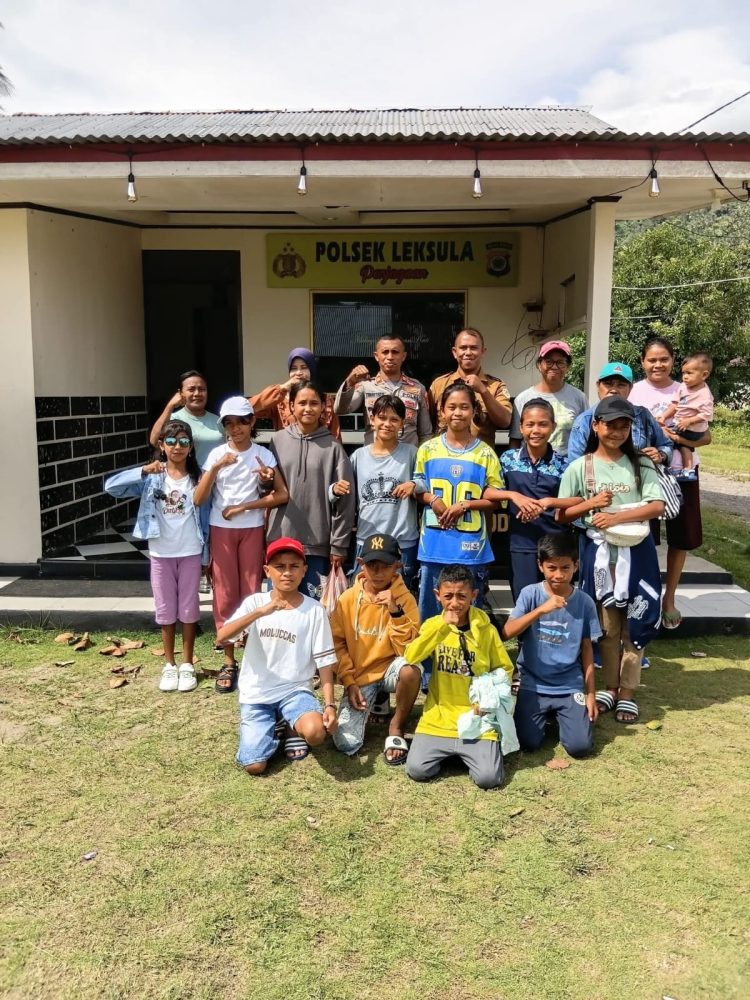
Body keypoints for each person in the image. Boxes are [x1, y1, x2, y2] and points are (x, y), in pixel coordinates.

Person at [558, 397, 665, 724]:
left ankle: (628, 693)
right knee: (606, 625)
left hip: (637, 553)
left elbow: (656, 506)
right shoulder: (581, 466)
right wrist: (592, 504)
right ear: (595, 425)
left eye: (624, 425)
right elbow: (563, 514)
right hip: (598, 555)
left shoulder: (640, 464)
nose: (617, 431)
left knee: (636, 621)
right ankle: (610, 687)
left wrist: (615, 517)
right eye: (610, 424)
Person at [217, 537, 338, 773]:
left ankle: (293, 725)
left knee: (315, 733)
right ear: (267, 571)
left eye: (294, 566)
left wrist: (330, 705)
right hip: (257, 694)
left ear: (304, 571)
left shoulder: (314, 610)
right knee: (254, 765)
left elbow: (325, 662)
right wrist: (261, 612)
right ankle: (275, 725)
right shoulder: (255, 602)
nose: (287, 573)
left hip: (295, 691)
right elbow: (222, 637)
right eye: (279, 567)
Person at [194, 396, 288, 694]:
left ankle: (253, 658)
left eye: (242, 422)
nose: (236, 429)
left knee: (251, 592)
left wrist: (247, 505)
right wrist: (216, 467)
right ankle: (228, 659)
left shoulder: (264, 455)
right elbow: (198, 499)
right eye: (229, 423)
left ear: (252, 423)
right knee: (224, 593)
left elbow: (281, 495)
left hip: (252, 529)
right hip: (221, 530)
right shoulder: (216, 455)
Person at [105, 420, 208, 693]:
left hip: (190, 551)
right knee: (165, 609)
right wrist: (142, 470)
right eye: (171, 441)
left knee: (188, 608)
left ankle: (187, 665)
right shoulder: (153, 477)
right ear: (161, 445)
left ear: (191, 447)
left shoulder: (198, 476)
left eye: (184, 441)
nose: (178, 447)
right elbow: (111, 487)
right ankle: (169, 665)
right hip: (161, 553)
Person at [403, 564, 515, 789]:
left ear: (474, 595)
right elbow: (411, 655)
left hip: (477, 719)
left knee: (489, 779)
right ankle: (451, 750)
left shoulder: (487, 630)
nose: (455, 603)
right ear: (437, 596)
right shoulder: (433, 625)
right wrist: (442, 628)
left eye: (462, 596)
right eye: (448, 596)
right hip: (439, 719)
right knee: (417, 770)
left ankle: (471, 751)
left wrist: (486, 702)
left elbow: (505, 670)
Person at [628, 336, 712, 630]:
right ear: (642, 362)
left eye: (663, 359)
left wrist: (676, 438)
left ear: (673, 361)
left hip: (683, 473)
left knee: (681, 537)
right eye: (651, 359)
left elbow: (706, 436)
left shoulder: (689, 387)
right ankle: (644, 596)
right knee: (643, 537)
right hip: (645, 474)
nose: (658, 364)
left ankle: (669, 599)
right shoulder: (634, 393)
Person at [502, 533, 601, 758]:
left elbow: (587, 651)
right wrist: (540, 611)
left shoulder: (584, 602)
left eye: (565, 567)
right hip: (533, 684)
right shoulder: (530, 594)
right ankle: (544, 715)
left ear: (576, 566)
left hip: (569, 685)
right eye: (551, 568)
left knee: (580, 747)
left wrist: (591, 694)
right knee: (527, 742)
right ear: (540, 566)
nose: (558, 575)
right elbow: (507, 632)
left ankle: (565, 716)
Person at [413, 381, 502, 622]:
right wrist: (432, 499)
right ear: (441, 410)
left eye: (464, 407)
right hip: (434, 545)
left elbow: (494, 500)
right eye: (452, 406)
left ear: (474, 411)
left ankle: (468, 659)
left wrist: (467, 505)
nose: (458, 413)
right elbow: (417, 489)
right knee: (431, 614)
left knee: (468, 614)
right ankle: (429, 661)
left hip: (470, 546)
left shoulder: (485, 453)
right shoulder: (428, 450)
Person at [330, 533, 421, 765]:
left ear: (397, 567)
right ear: (361, 564)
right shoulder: (348, 599)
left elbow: (409, 651)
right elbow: (337, 645)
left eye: (385, 566)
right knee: (345, 743)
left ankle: (396, 726)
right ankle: (377, 700)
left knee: (410, 670)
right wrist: (349, 682)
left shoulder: (406, 599)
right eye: (372, 565)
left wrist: (395, 611)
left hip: (393, 668)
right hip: (361, 676)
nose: (378, 573)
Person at [268, 381, 355, 600]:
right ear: (291, 406)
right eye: (302, 403)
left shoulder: (333, 447)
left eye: (314, 403)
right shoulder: (277, 441)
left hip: (318, 543)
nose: (308, 408)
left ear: (324, 406)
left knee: (313, 607)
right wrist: (264, 480)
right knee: (279, 606)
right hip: (281, 537)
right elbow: (268, 489)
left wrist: (339, 544)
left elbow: (345, 500)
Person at [484, 398, 578, 601]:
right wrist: (512, 495)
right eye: (530, 424)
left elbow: (579, 500)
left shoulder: (565, 464)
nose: (536, 430)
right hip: (521, 542)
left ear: (553, 427)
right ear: (521, 427)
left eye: (543, 424)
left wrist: (549, 502)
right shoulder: (508, 459)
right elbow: (488, 493)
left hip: (556, 543)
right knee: (524, 600)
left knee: (557, 600)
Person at [350, 394, 419, 591]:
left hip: (402, 542)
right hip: (367, 540)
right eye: (382, 417)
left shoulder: (412, 453)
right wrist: (334, 491)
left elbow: (425, 482)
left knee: (402, 598)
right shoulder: (358, 456)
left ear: (402, 423)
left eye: (394, 419)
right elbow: (344, 495)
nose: (387, 424)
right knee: (364, 598)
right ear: (372, 419)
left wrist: (414, 484)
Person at [567, 361, 674, 464]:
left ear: (630, 388)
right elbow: (575, 464)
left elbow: (666, 444)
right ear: (598, 386)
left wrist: (660, 455)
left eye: (621, 385)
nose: (614, 390)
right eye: (608, 384)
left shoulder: (643, 415)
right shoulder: (585, 420)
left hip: (639, 480)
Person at [333, 334, 432, 445]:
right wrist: (349, 382)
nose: (390, 357)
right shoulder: (366, 386)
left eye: (395, 352)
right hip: (374, 458)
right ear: (376, 356)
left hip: (408, 459)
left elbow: (425, 434)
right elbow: (340, 409)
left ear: (403, 356)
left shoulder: (418, 388)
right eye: (385, 352)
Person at [429, 328, 512, 446]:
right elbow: (428, 425)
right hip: (444, 456)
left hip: (480, 458)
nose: (468, 352)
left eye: (473, 348)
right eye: (463, 348)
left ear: (483, 352)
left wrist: (483, 391)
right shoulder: (438, 385)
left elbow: (505, 421)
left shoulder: (495, 386)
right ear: (454, 352)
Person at [509, 341, 588, 457]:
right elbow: (515, 440)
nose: (554, 367)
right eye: (549, 361)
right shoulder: (523, 398)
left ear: (568, 366)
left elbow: (585, 437)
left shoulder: (579, 398)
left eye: (560, 362)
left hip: (567, 467)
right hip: (530, 467)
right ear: (539, 365)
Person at [250, 347, 341, 440]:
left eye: (304, 367)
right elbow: (249, 408)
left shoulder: (325, 400)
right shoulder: (280, 401)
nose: (298, 373)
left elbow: (335, 436)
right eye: (294, 369)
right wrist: (282, 388)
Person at [149, 370, 224, 468]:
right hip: (188, 479)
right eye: (191, 389)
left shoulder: (218, 420)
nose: (197, 393)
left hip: (217, 479)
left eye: (202, 389)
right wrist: (170, 406)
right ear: (180, 393)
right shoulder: (174, 419)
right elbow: (154, 441)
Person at [656, 353, 714, 477]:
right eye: (683, 373)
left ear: (704, 375)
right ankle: (685, 469)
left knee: (672, 440)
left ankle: (687, 469)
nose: (685, 377)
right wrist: (664, 416)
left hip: (693, 429)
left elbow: (707, 414)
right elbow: (675, 404)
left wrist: (689, 421)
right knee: (674, 441)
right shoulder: (683, 387)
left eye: (689, 373)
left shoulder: (704, 394)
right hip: (681, 425)